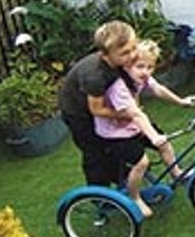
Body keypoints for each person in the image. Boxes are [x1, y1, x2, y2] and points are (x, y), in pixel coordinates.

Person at [97, 39, 195, 217]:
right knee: (142, 162)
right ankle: (135, 198)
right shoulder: (118, 86)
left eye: (150, 67)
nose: (146, 72)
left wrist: (181, 102)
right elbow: (135, 114)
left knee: (164, 143)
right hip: (115, 134)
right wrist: (152, 136)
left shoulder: (140, 78)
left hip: (134, 125)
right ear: (127, 65)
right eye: (141, 66)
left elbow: (158, 89)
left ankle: (176, 172)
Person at [59, 21, 139, 186]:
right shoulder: (95, 76)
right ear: (104, 55)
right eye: (125, 53)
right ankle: (100, 195)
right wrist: (124, 114)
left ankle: (120, 175)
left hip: (97, 102)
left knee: (111, 142)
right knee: (94, 152)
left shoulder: (118, 62)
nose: (132, 55)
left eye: (133, 48)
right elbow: (96, 109)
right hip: (78, 112)